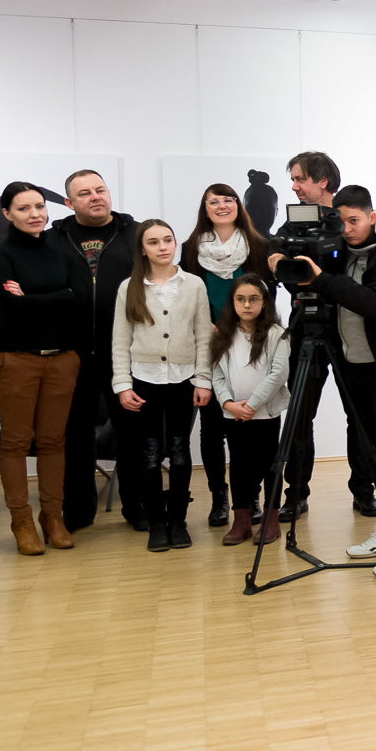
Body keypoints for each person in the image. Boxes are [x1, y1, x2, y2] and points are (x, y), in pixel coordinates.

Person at [292, 185, 376, 578]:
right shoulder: (341, 249)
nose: (348, 229)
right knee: (375, 453)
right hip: (355, 366)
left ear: (371, 217)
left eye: (355, 220)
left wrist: (322, 279)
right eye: (342, 222)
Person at [0, 182, 91, 556]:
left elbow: (81, 301)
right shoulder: (0, 256)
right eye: (24, 208)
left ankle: (53, 517)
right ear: (7, 214)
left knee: (52, 441)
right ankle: (22, 521)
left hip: (62, 359)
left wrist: (30, 297)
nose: (35, 214)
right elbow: (10, 307)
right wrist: (60, 297)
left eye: (39, 206)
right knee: (15, 443)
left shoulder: (64, 255)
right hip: (16, 358)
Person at [276, 150, 376, 522]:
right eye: (293, 179)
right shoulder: (293, 224)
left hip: (349, 328)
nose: (294, 186)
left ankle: (364, 492)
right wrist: (276, 259)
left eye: (300, 178)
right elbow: (278, 257)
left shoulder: (347, 221)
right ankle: (295, 495)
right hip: (307, 324)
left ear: (322, 181)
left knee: (359, 415)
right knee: (301, 415)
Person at [46, 169, 140, 532]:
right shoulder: (53, 239)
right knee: (75, 437)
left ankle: (138, 508)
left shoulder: (136, 234)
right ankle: (78, 512)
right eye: (84, 193)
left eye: (100, 189)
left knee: (131, 435)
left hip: (127, 356)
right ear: (69, 203)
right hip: (73, 354)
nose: (95, 196)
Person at [111, 220, 213, 551]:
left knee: (181, 451)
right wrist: (122, 384)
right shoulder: (129, 287)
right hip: (145, 380)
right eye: (153, 242)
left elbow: (203, 335)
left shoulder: (193, 284)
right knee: (150, 453)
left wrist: (203, 379)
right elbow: (120, 339)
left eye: (168, 240)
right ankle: (156, 522)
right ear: (143, 249)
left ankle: (178, 521)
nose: (163, 247)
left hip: (184, 380)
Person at [180, 183, 271, 529]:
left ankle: (250, 497)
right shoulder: (190, 248)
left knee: (250, 428)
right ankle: (219, 497)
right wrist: (205, 323)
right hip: (209, 343)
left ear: (238, 205)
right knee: (211, 429)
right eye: (213, 201)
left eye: (228, 199)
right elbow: (186, 293)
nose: (221, 206)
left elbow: (267, 294)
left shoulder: (258, 246)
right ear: (204, 209)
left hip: (250, 343)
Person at [208, 274, 288, 545]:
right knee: (239, 465)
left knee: (270, 465)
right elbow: (217, 374)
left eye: (253, 299)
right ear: (232, 302)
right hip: (234, 414)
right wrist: (228, 404)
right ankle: (241, 520)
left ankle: (270, 519)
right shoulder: (224, 334)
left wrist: (252, 405)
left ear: (264, 302)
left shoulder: (277, 334)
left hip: (264, 413)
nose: (247, 305)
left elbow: (278, 374)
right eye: (240, 299)